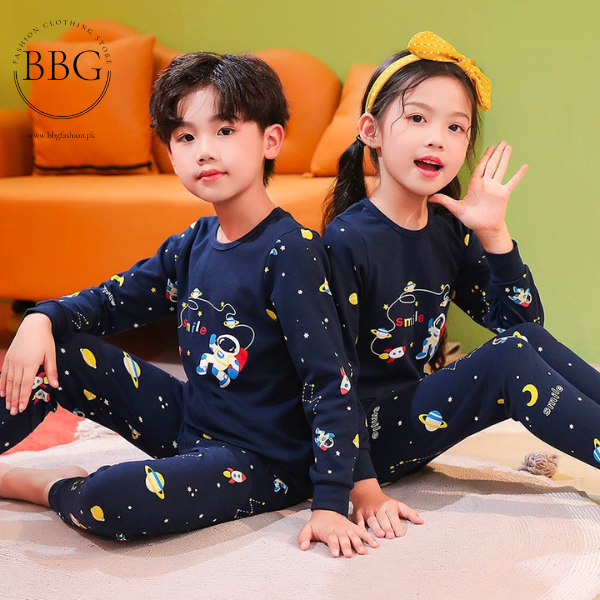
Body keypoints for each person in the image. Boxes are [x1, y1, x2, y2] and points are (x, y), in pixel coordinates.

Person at [0, 51, 384, 557]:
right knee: (57, 347)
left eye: (225, 131)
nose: (204, 151)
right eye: (185, 137)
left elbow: (330, 381)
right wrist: (40, 318)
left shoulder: (292, 252)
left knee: (111, 499)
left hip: (262, 461)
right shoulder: (193, 242)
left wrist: (331, 501)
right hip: (190, 422)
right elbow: (112, 300)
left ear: (271, 140)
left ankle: (43, 485)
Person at [322, 31, 600, 539]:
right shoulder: (347, 239)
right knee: (507, 360)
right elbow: (327, 374)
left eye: (455, 127)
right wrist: (359, 485)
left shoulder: (447, 230)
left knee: (520, 344)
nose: (437, 138)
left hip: (410, 411)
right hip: (359, 440)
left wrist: (494, 233)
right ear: (371, 131)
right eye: (417, 118)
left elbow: (524, 326)